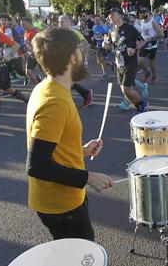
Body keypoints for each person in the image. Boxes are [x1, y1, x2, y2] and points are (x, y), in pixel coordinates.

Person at [26, 27, 114, 240]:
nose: (85, 57)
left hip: (63, 201)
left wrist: (81, 150)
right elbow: (37, 165)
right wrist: (89, 177)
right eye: (80, 51)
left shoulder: (49, 89)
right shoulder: (54, 101)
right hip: (61, 206)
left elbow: (51, 148)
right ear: (73, 57)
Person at [107, 8, 148, 113]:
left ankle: (142, 104)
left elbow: (143, 41)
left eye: (112, 15)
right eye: (110, 15)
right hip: (119, 63)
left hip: (130, 62)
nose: (110, 17)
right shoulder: (111, 30)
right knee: (124, 91)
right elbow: (111, 45)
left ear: (120, 16)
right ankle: (139, 106)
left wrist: (135, 49)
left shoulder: (130, 28)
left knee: (126, 89)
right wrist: (106, 46)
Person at [59, 15, 94, 109]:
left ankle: (84, 95)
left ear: (68, 22)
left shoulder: (73, 33)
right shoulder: (60, 34)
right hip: (64, 60)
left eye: (62, 21)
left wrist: (78, 52)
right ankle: (86, 94)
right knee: (67, 81)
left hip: (73, 61)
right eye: (59, 21)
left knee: (66, 81)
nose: (60, 23)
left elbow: (85, 43)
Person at [137, 8, 162, 85]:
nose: (142, 14)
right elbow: (142, 33)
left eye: (144, 12)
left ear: (148, 13)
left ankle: (154, 77)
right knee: (139, 62)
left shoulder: (153, 22)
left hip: (152, 45)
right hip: (144, 44)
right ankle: (147, 73)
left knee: (151, 63)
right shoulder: (141, 22)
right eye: (141, 13)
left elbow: (161, 34)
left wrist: (151, 38)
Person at [21, 17, 41, 86]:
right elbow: (27, 44)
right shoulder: (26, 32)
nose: (22, 26)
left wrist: (33, 50)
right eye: (21, 24)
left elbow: (39, 44)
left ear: (29, 23)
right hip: (31, 55)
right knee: (28, 72)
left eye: (24, 24)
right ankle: (38, 85)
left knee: (44, 73)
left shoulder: (34, 32)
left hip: (38, 54)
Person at [91, 15, 112, 80]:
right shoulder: (94, 27)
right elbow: (95, 35)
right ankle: (111, 63)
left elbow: (109, 35)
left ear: (100, 20)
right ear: (94, 20)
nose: (97, 21)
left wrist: (104, 37)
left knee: (102, 59)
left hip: (104, 45)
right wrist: (93, 38)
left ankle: (105, 74)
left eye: (98, 19)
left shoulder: (104, 27)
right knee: (99, 62)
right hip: (98, 45)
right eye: (96, 20)